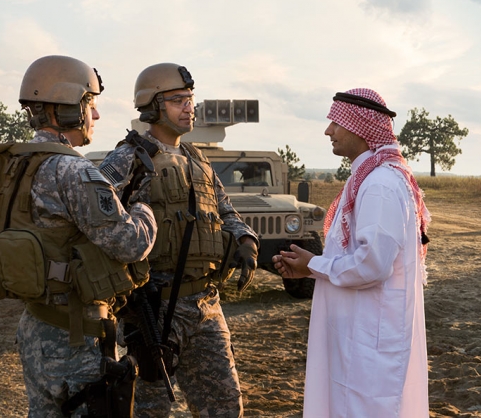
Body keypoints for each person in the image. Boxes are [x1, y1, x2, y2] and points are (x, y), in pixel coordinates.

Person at [99, 63, 259, 417]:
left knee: (225, 407)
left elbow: (225, 210)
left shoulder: (197, 160)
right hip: (155, 313)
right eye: (178, 100)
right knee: (149, 410)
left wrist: (245, 240)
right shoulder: (129, 158)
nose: (189, 107)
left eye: (190, 99)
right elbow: (96, 217)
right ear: (154, 106)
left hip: (206, 305)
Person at [5, 56, 157, 416]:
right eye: (91, 104)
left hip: (35, 327)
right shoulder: (72, 169)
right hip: (75, 336)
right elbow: (129, 243)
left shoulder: (16, 163)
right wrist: (143, 208)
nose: (97, 116)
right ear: (71, 108)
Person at [274, 88, 430, 417]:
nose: (328, 130)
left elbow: (372, 265)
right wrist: (308, 267)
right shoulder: (372, 179)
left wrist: (313, 264)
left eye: (336, 122)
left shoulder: (380, 185)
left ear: (359, 127)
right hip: (361, 332)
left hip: (370, 337)